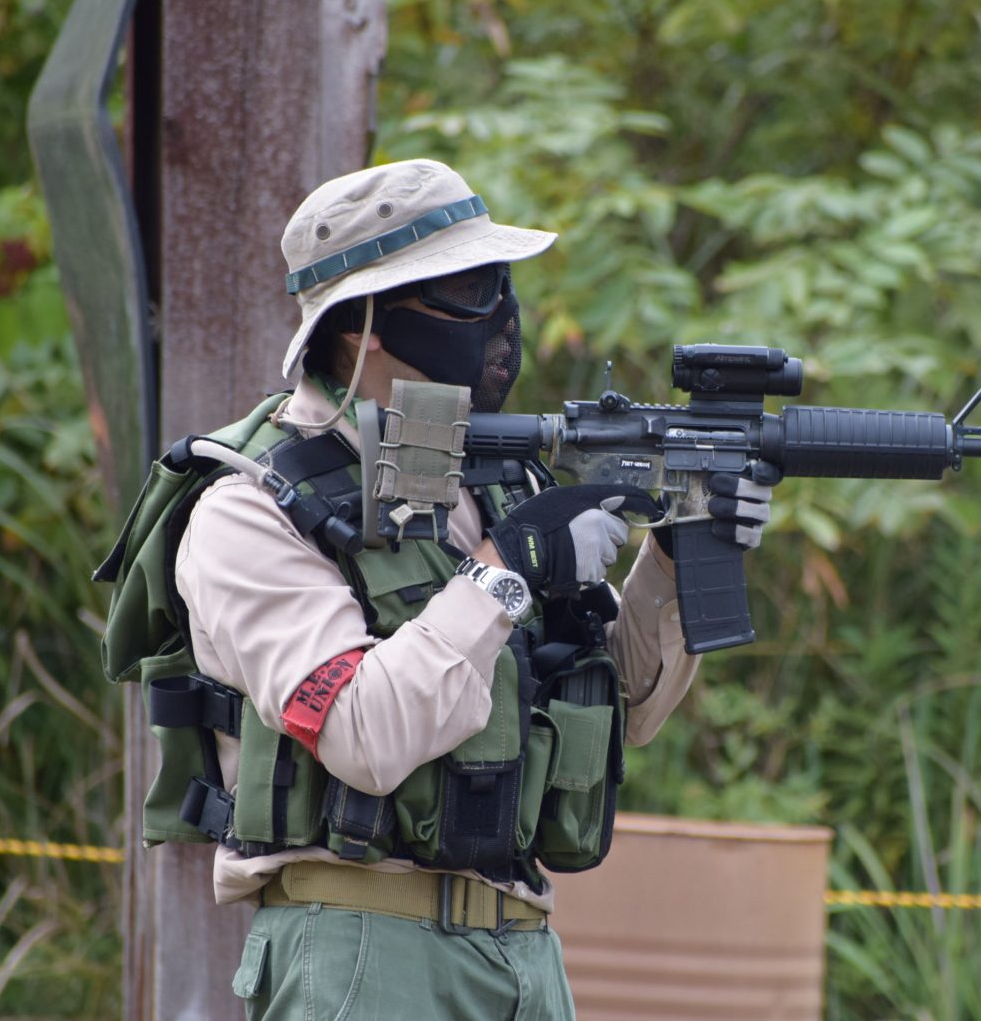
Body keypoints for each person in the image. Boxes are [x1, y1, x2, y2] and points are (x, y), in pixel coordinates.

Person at [170, 159, 772, 1019]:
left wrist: (679, 545)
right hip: (362, 948)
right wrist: (506, 569)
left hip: (522, 948)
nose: (501, 318)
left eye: (501, 283)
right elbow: (363, 736)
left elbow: (621, 708)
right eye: (468, 290)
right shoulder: (252, 508)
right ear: (365, 324)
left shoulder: (493, 481)